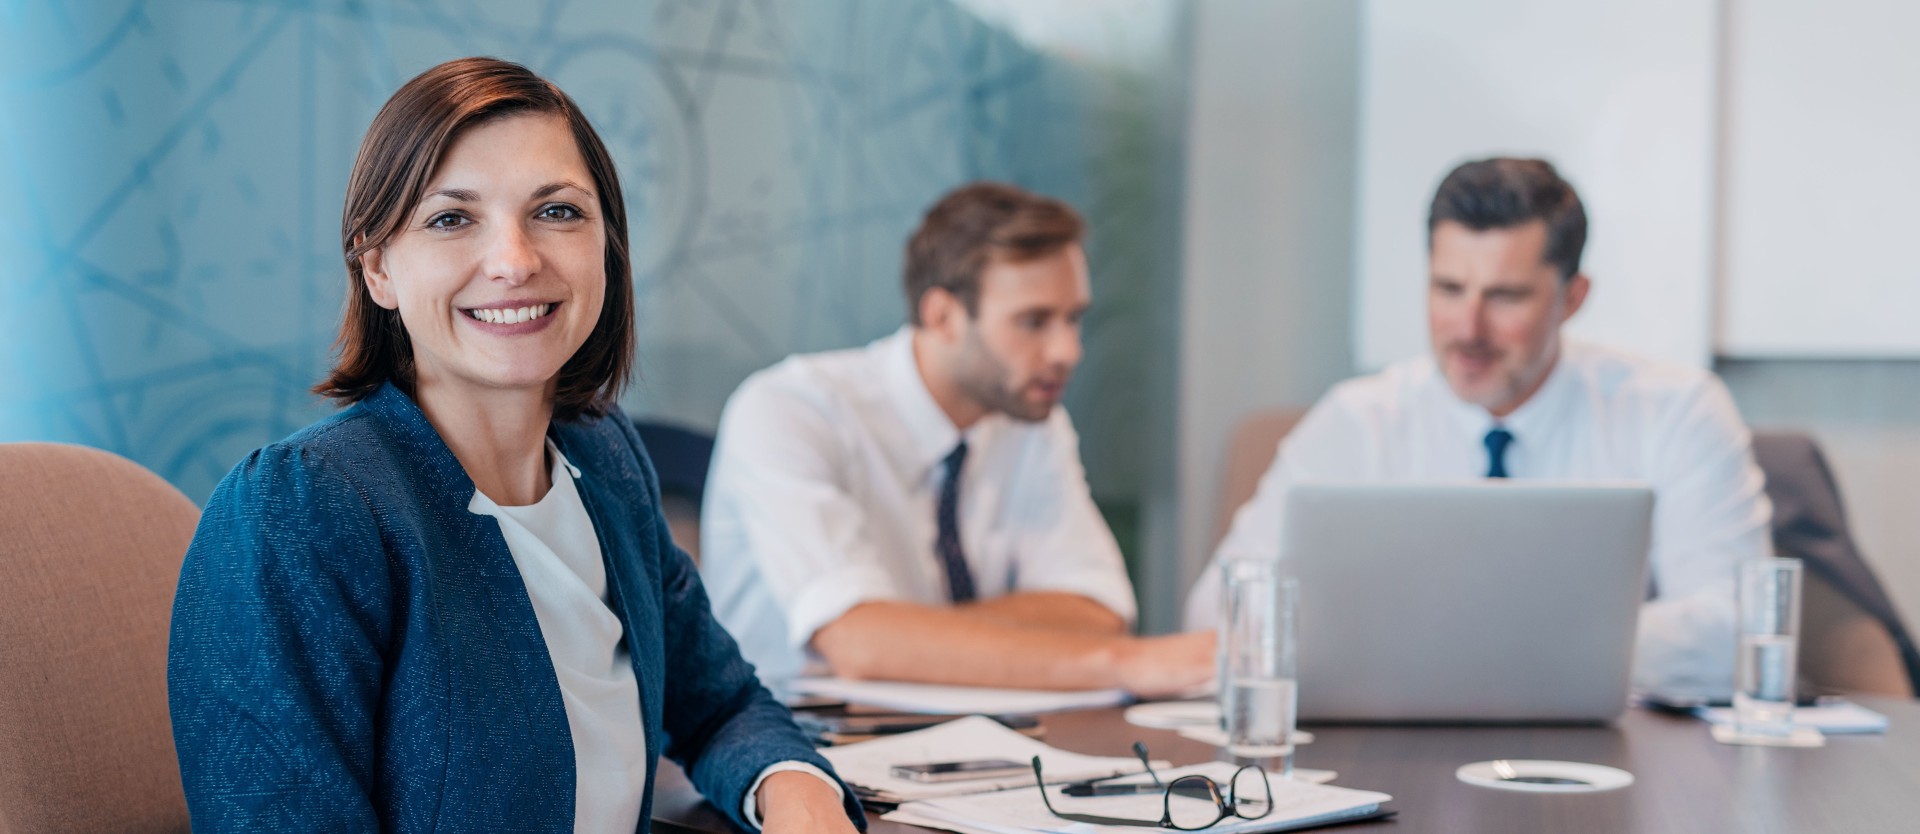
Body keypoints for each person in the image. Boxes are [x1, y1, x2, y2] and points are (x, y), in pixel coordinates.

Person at [167, 58, 863, 834]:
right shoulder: (302, 509)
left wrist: (797, 794)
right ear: (378, 268)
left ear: (608, 244)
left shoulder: (605, 458)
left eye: (558, 212)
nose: (515, 261)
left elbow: (722, 702)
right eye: (451, 219)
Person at [1189, 158, 1771, 699]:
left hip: (1604, 762)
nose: (1468, 328)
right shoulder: (1356, 421)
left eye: (1505, 296)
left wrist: (1482, 650)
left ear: (1573, 297)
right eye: (1448, 289)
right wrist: (1563, 649)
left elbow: (1738, 630)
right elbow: (1218, 613)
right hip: (1389, 757)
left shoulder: (1674, 411)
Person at [700, 182, 1212, 694]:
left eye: (1073, 318)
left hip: (958, 735)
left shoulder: (1030, 421)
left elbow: (1099, 610)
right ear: (942, 317)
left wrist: (921, 639)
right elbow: (859, 642)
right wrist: (1122, 663)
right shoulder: (791, 410)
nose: (1067, 351)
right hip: (790, 743)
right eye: (1033, 321)